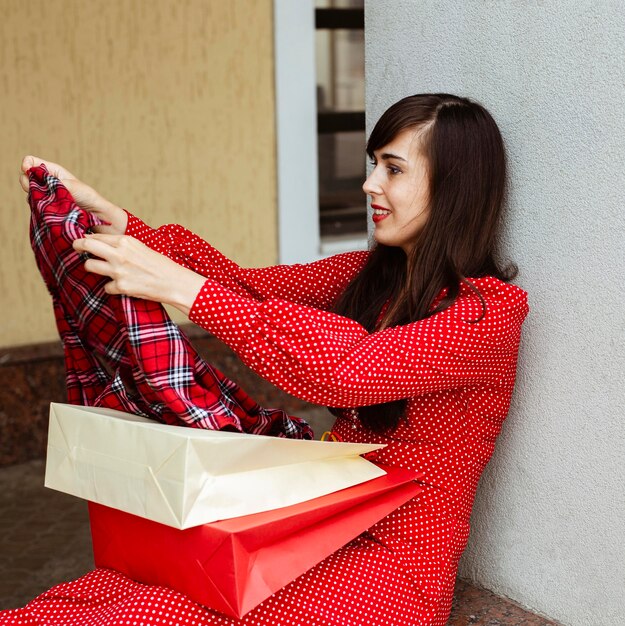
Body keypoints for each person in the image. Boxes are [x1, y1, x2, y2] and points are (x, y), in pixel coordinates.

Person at [10, 93, 528, 626]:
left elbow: (348, 371)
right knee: (119, 588)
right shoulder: (372, 275)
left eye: (393, 169)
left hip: (387, 569)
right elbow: (248, 288)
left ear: (454, 187)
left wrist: (182, 288)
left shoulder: (486, 315)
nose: (371, 184)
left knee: (161, 609)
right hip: (309, 519)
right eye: (374, 164)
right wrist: (121, 225)